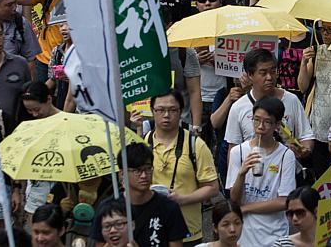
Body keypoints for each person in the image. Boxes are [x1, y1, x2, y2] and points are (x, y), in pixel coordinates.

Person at [148, 89, 219, 245]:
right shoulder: (144, 143)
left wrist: (183, 199)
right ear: (152, 111)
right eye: (160, 110)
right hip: (153, 230)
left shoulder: (195, 145)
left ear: (181, 112)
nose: (166, 115)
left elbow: (213, 188)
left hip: (187, 231)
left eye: (172, 110)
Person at [228, 96, 298, 247]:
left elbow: (283, 201)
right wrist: (241, 173)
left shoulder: (286, 155)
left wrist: (246, 208)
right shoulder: (238, 152)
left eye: (267, 122)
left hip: (274, 233)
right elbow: (234, 198)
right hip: (245, 233)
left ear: (277, 125)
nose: (260, 126)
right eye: (256, 120)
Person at [120, 141, 189, 247]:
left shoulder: (169, 208)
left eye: (148, 169)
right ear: (122, 174)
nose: (143, 175)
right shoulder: (110, 210)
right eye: (137, 170)